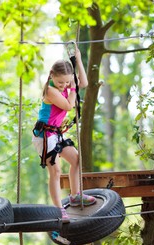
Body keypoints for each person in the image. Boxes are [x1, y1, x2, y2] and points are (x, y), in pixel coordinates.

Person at [32, 46, 96, 223]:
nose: (65, 85)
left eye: (67, 82)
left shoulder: (67, 84)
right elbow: (68, 106)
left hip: (56, 133)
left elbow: (84, 83)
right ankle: (59, 209)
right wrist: (73, 89)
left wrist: (79, 59)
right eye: (61, 82)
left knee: (76, 159)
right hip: (44, 136)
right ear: (51, 75)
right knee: (56, 170)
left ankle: (75, 195)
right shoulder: (50, 91)